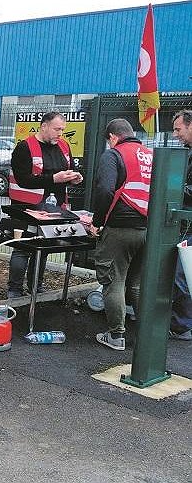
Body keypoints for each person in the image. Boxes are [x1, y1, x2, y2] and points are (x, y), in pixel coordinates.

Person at [89, 118, 151, 351]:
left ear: (113, 137)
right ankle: (146, 336)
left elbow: (105, 189)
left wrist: (97, 222)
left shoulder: (114, 154)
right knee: (136, 284)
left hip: (120, 228)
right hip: (147, 229)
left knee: (113, 281)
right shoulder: (150, 155)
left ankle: (116, 336)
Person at [7, 111, 83, 298]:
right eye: (57, 129)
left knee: (44, 247)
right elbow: (22, 179)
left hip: (54, 208)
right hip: (26, 207)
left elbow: (69, 170)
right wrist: (53, 179)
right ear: (44, 126)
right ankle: (14, 290)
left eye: (63, 129)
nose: (60, 133)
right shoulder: (25, 147)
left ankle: (36, 286)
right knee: (22, 247)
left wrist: (73, 178)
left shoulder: (64, 146)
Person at [171, 109, 192, 341]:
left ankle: (182, 326)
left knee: (182, 273)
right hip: (185, 222)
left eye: (178, 129)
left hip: (188, 224)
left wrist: (172, 186)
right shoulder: (187, 153)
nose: (175, 134)